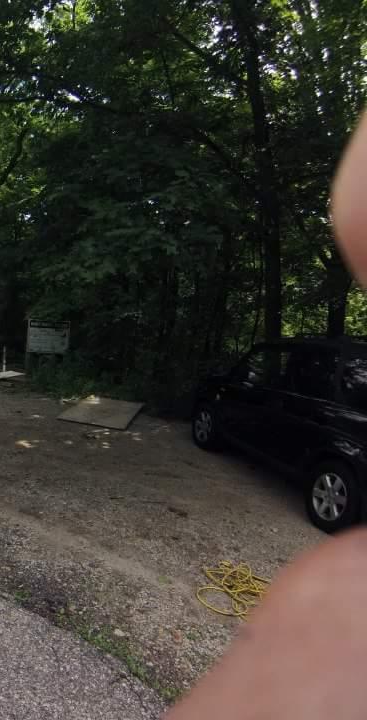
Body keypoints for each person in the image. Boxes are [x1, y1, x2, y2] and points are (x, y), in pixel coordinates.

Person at [166, 112, 367, 719]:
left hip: (320, 421)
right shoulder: (326, 375)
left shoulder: (309, 388)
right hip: (319, 418)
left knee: (335, 474)